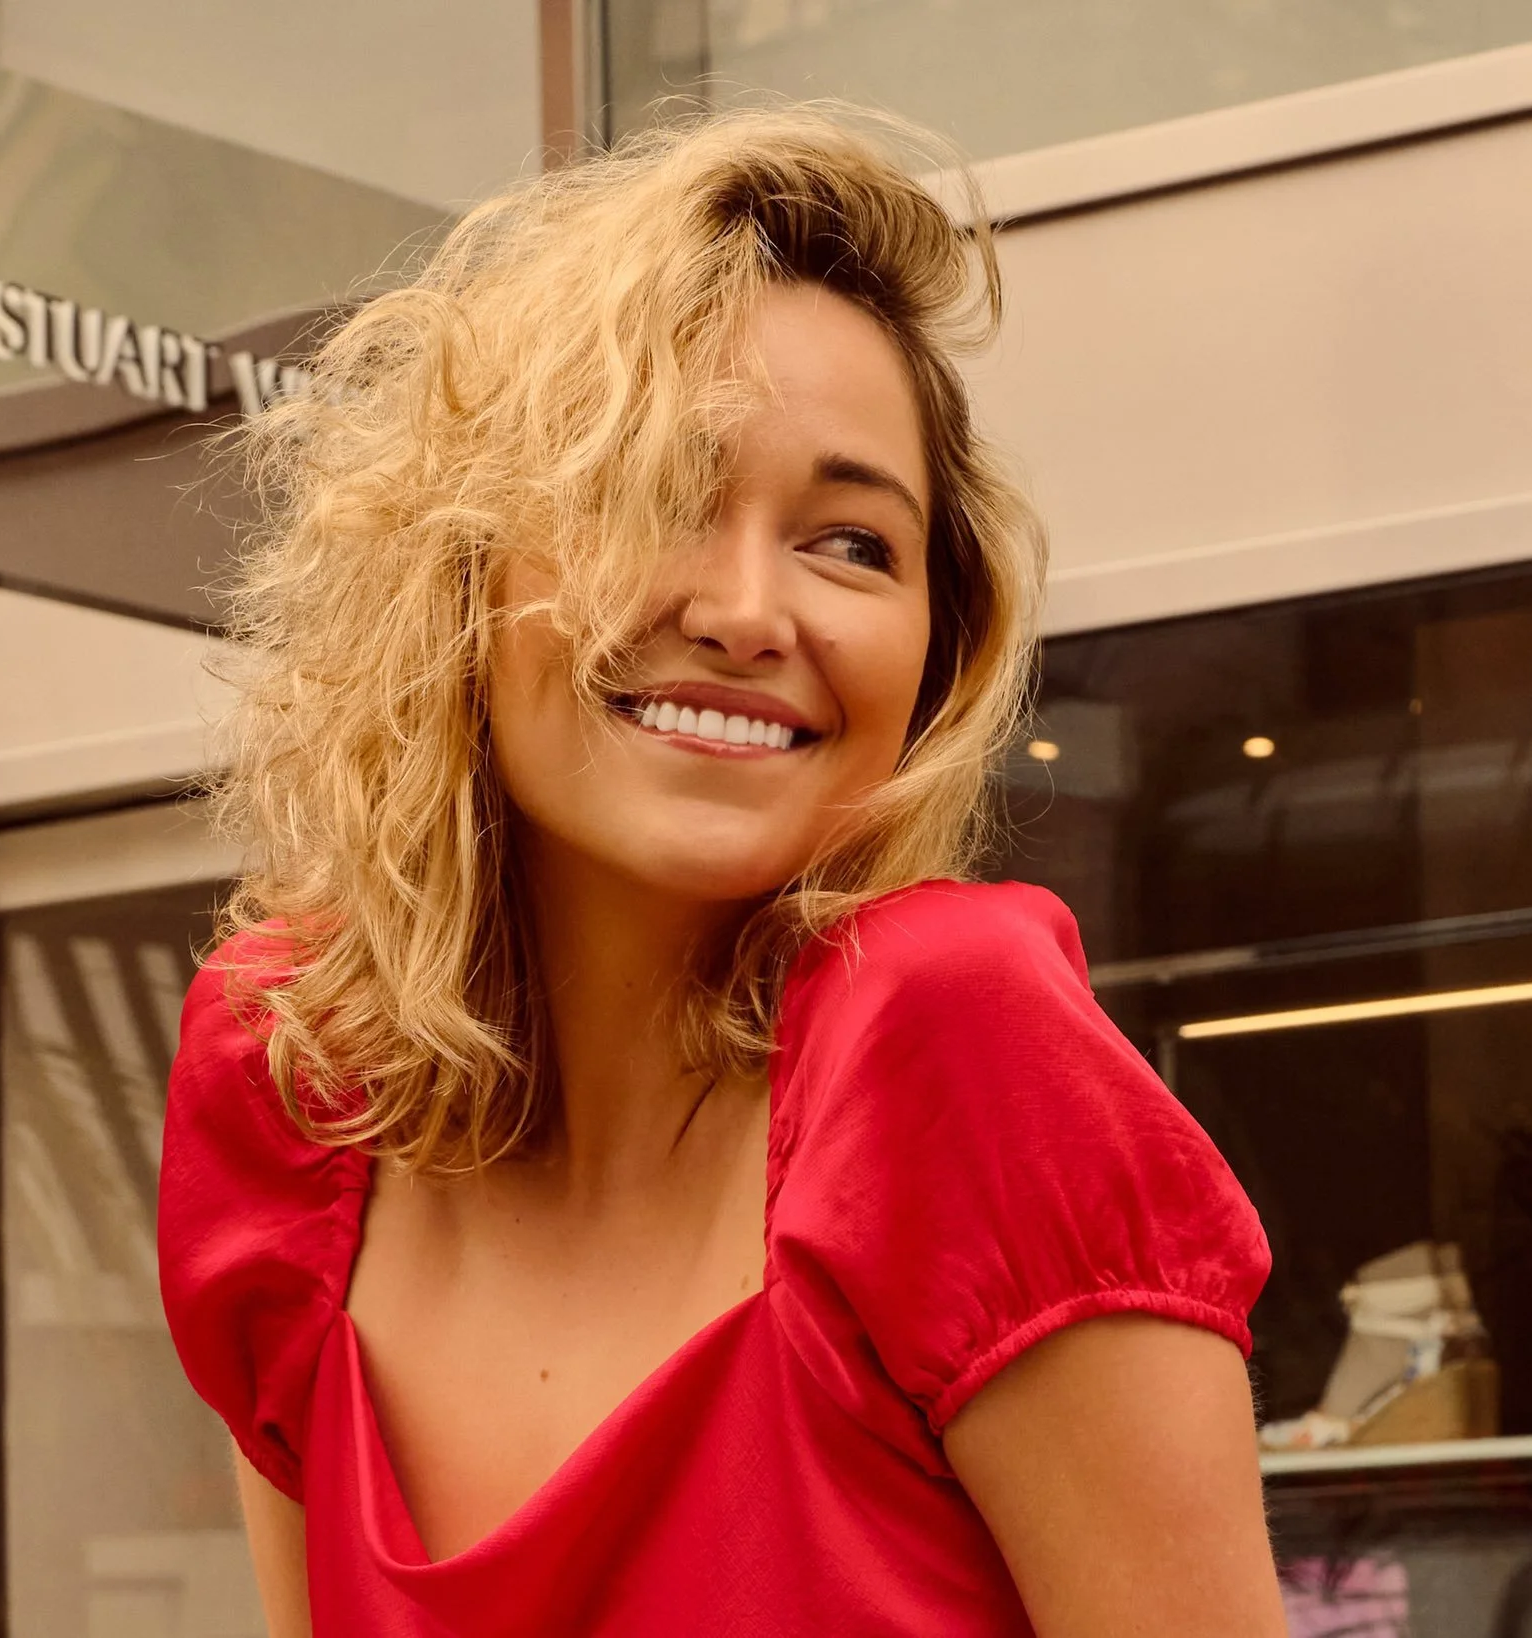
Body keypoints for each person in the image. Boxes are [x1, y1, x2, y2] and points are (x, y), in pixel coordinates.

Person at [158, 107, 1282, 1637]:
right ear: (463, 572)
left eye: (852, 544)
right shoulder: (293, 1079)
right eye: (659, 495)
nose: (753, 610)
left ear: (934, 653)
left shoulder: (954, 1047)